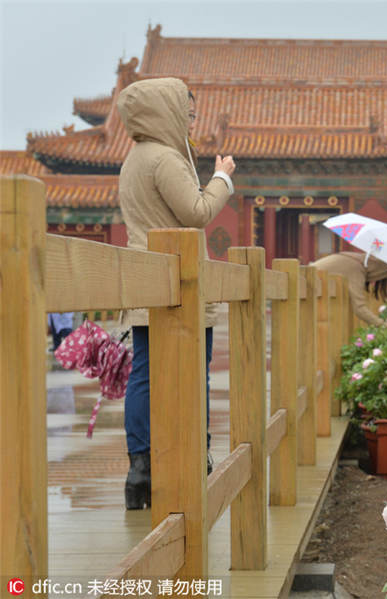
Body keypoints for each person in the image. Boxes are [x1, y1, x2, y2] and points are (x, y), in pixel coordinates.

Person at [117, 77, 236, 510]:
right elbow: (197, 212)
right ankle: (191, 454)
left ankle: (141, 466)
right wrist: (222, 177)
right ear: (166, 111)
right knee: (191, 373)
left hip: (147, 285)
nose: (191, 119)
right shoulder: (165, 158)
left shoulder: (134, 159)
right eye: (187, 112)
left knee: (144, 374)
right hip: (179, 289)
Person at [311, 252, 387, 326]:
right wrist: (383, 325)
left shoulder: (354, 258)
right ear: (381, 271)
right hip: (308, 294)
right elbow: (359, 308)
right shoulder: (356, 268)